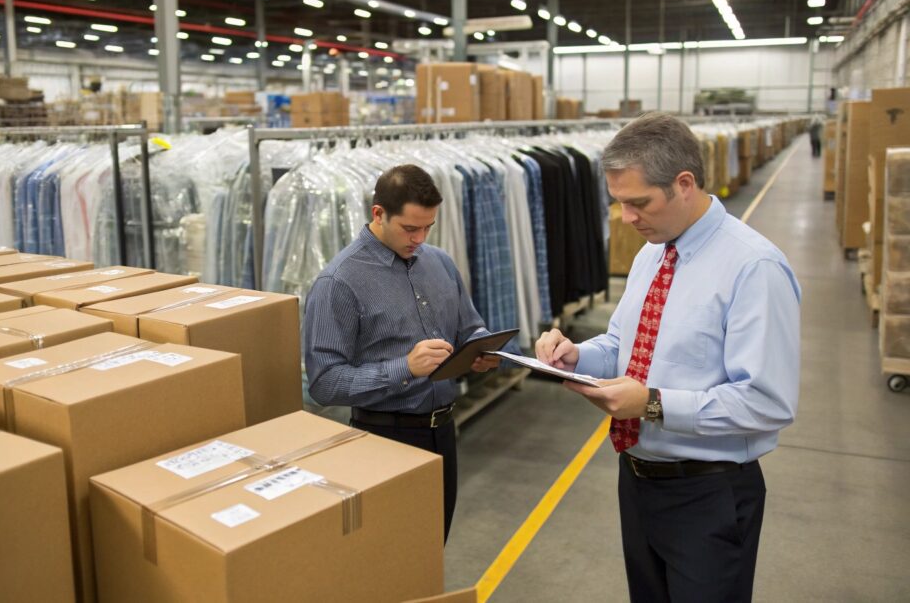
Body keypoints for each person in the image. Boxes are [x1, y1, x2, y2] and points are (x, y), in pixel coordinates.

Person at [536, 113, 801, 602]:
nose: (628, 219)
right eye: (619, 204)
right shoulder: (652, 252)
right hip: (637, 481)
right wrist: (577, 355)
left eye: (639, 203)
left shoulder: (753, 268)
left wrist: (653, 404)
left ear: (684, 184)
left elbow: (767, 401)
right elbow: (622, 344)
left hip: (708, 493)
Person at [304, 164, 501, 543]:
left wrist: (481, 347)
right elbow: (325, 384)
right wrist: (404, 368)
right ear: (378, 214)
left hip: (443, 431)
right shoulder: (338, 282)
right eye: (410, 228)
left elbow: (469, 326)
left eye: (428, 227)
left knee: (433, 545)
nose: (420, 238)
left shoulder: (439, 262)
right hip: (382, 437)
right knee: (391, 555)